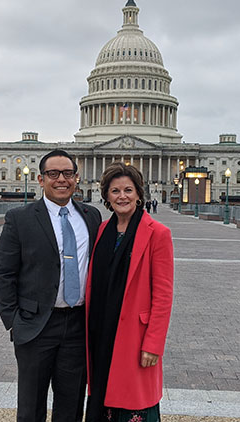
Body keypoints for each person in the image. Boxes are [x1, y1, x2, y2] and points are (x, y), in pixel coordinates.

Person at [0, 150, 102, 422]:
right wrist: (14, 321)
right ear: (41, 180)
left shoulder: (91, 216)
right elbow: (4, 274)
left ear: (76, 178)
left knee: (71, 406)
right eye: (53, 174)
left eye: (67, 174)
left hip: (78, 325)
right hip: (35, 325)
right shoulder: (20, 218)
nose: (61, 179)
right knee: (31, 408)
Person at [85, 163, 174, 422]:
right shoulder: (102, 231)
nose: (122, 196)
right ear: (107, 197)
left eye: (128, 190)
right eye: (115, 191)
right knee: (102, 399)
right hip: (101, 332)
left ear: (138, 194)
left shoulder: (158, 233)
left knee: (134, 404)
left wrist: (153, 344)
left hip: (136, 337)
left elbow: (163, 295)